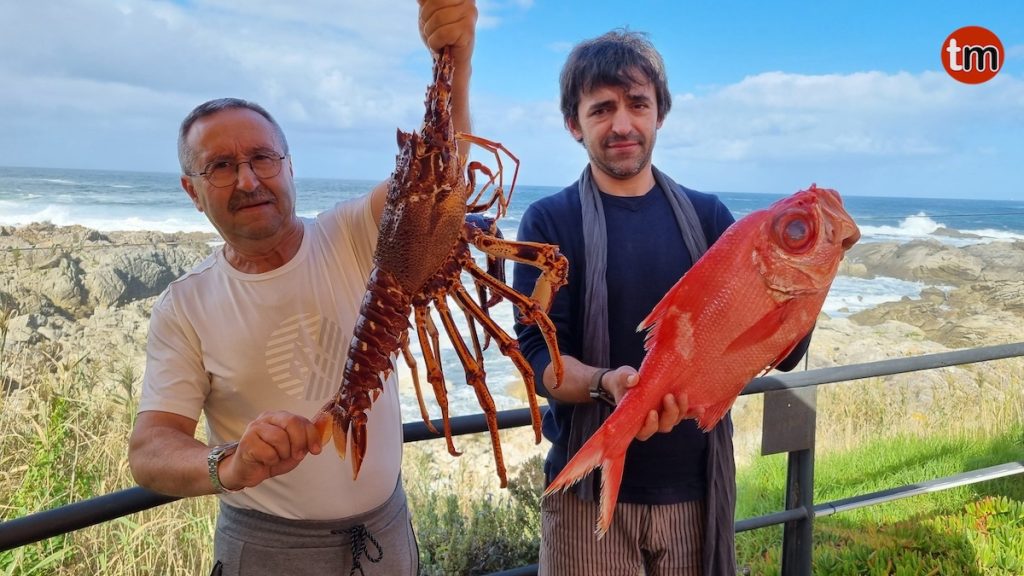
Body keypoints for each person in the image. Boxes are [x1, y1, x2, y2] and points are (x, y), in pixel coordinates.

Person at [127, 2, 478, 575]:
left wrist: (455, 59)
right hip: (268, 549)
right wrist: (229, 464)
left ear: (290, 167)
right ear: (193, 191)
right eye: (220, 166)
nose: (247, 179)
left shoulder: (354, 233)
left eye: (263, 157)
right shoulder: (184, 306)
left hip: (386, 530)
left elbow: (438, 179)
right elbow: (150, 449)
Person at [513, 30, 811, 576]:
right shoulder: (547, 225)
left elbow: (783, 354)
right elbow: (538, 356)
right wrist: (609, 385)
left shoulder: (710, 221)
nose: (622, 124)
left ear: (660, 113)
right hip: (586, 501)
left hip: (696, 494)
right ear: (573, 124)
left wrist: (816, 268)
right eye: (601, 109)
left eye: (637, 104)